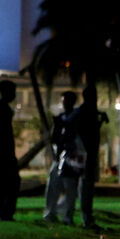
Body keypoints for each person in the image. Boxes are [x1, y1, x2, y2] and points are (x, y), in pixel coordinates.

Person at [69, 85, 108, 230]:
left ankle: (87, 217)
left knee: (87, 186)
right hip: (86, 154)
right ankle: (86, 218)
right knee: (86, 186)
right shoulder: (84, 112)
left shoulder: (87, 112)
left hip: (88, 153)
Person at [43, 91, 80, 224]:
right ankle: (51, 213)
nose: (64, 103)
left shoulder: (76, 118)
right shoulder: (60, 119)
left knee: (70, 190)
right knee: (53, 187)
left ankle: (66, 216)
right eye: (63, 101)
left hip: (71, 158)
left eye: (66, 101)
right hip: (59, 158)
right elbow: (54, 138)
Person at [0, 80, 19, 221]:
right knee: (7, 182)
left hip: (2, 151)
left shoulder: (0, 108)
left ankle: (0, 212)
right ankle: (4, 213)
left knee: (2, 182)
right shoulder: (1, 109)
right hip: (3, 152)